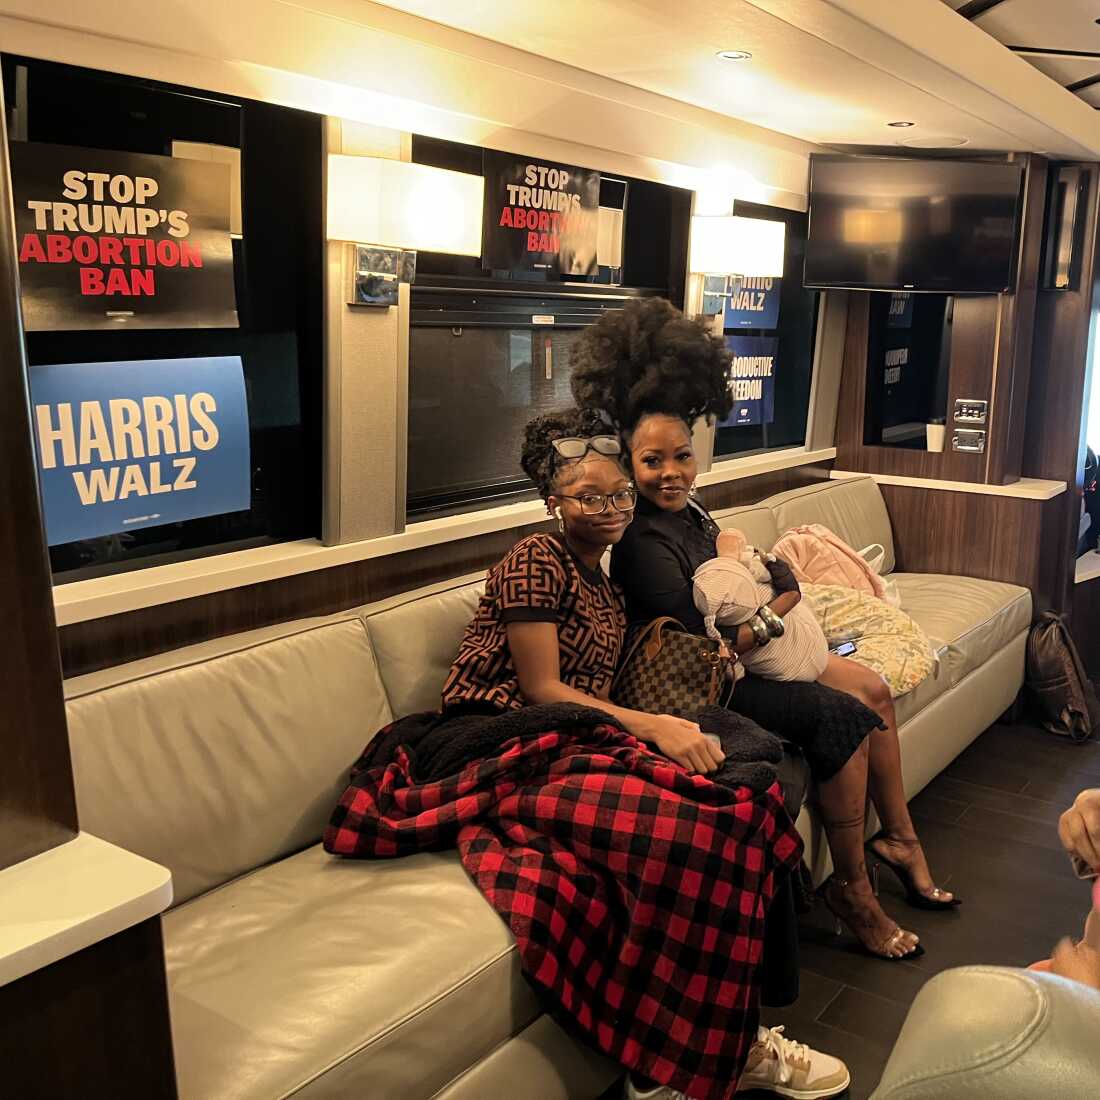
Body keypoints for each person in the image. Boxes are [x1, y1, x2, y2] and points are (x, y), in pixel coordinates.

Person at [438, 406, 851, 1100]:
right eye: (587, 497)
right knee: (689, 836)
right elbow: (542, 689)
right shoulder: (535, 557)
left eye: (618, 494)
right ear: (552, 502)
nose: (608, 508)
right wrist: (653, 726)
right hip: (500, 742)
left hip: (570, 741)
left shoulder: (603, 581)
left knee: (743, 802)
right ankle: (679, 1060)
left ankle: (714, 1039)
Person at [572, 297, 958, 963]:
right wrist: (777, 605)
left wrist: (773, 597)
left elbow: (764, 577)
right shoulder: (642, 539)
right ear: (630, 464)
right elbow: (714, 642)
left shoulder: (691, 510)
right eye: (652, 462)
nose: (671, 474)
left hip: (752, 657)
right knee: (843, 716)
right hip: (708, 686)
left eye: (682, 457)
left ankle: (900, 839)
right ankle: (855, 891)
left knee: (873, 687)